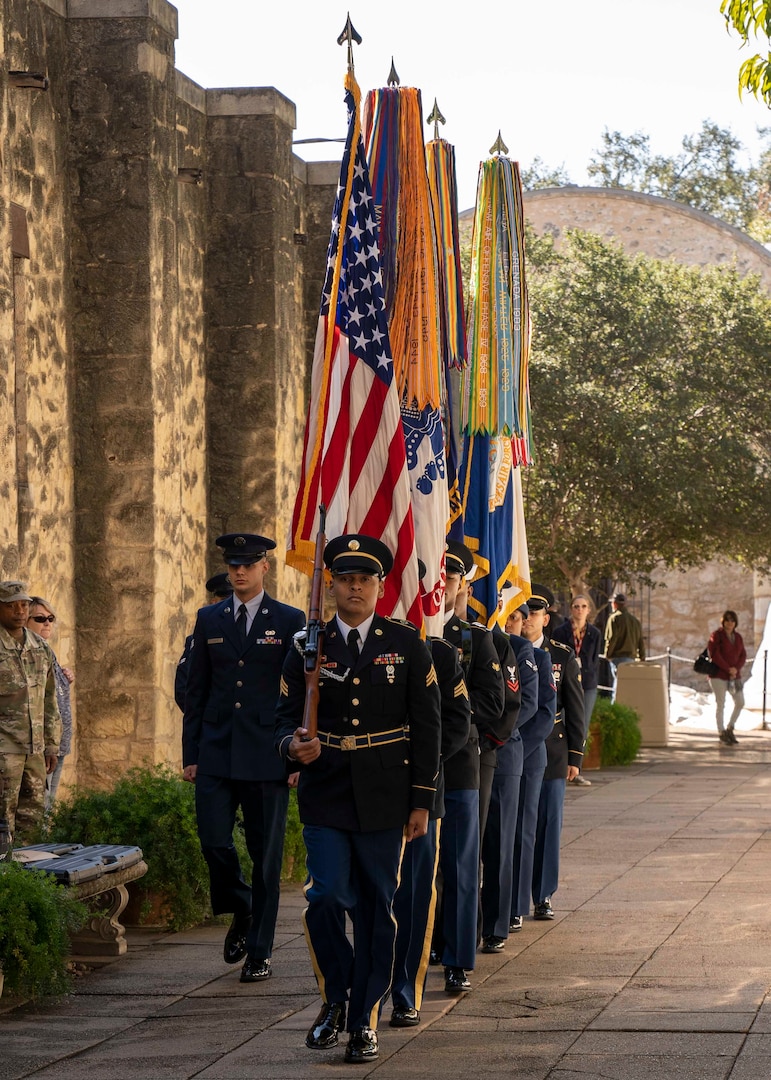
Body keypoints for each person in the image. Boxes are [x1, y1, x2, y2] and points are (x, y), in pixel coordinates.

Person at [275, 534, 441, 1063]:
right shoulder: (308, 643)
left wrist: (421, 801)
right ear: (331, 585)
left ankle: (364, 1018)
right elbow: (280, 719)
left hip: (384, 794)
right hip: (325, 792)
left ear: (379, 586)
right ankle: (336, 997)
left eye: (364, 579)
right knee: (324, 897)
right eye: (344, 578)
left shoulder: (406, 643)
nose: (354, 587)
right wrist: (291, 745)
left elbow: (429, 726)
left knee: (375, 905)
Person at [182, 533, 304, 984]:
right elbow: (197, 691)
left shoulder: (290, 619)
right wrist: (191, 753)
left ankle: (260, 951)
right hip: (216, 750)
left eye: (248, 564)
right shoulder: (209, 617)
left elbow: (300, 695)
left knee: (266, 857)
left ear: (264, 568)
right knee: (213, 841)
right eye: (233, 564)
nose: (239, 571)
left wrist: (293, 757)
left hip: (267, 752)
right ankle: (243, 904)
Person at [390, 560, 470, 1027]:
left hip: (422, 792)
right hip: (367, 794)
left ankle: (405, 990)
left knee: (416, 895)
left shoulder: (440, 653)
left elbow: (457, 722)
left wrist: (422, 769)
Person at [433, 541, 505, 995]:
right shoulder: (402, 637)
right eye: (438, 576)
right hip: (404, 766)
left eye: (453, 579)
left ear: (461, 585)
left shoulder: (476, 639)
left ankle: (458, 957)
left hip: (459, 764)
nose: (444, 586)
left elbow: (493, 702)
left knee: (459, 866)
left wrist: (444, 721)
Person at [522, 584, 584, 920]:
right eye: (524, 612)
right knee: (517, 826)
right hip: (516, 751)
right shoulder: (508, 648)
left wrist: (575, 755)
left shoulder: (561, 655)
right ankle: (514, 896)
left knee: (547, 824)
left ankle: (542, 894)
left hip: (553, 750)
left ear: (546, 619)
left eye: (534, 614)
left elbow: (575, 706)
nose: (528, 619)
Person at [507, 602, 557, 933]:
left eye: (517, 617)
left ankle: (515, 905)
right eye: (508, 615)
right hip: (491, 756)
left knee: (522, 833)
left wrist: (514, 748)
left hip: (525, 755)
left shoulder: (538, 658)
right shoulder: (487, 650)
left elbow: (544, 713)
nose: (512, 622)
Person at [0, 581, 61, 841]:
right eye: (12, 606)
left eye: (24, 605)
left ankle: (30, 878)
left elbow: (49, 699)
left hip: (35, 751)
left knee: (33, 820)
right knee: (3, 821)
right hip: (5, 750)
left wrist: (52, 745)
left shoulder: (40, 647)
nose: (20, 611)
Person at [26, 597, 73, 809]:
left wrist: (65, 677)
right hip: (44, 746)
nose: (47, 623)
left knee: (48, 808)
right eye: (40, 618)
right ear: (26, 622)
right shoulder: (29, 653)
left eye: (51, 618)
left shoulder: (47, 651)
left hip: (58, 744)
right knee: (40, 808)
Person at [552, 594, 601, 786]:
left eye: (583, 606)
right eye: (576, 606)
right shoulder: (561, 631)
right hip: (564, 683)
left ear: (588, 610)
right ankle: (561, 767)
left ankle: (576, 766)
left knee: (582, 723)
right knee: (562, 723)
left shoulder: (595, 633)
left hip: (587, 684)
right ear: (571, 609)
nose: (579, 610)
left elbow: (595, 660)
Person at [175, 572, 232, 711]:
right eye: (223, 599)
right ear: (213, 603)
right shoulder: (199, 639)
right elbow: (183, 688)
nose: (229, 605)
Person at [708, 610, 747, 745]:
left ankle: (730, 727)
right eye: (727, 620)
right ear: (723, 621)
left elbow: (743, 655)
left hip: (735, 676)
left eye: (732, 620)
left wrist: (736, 669)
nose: (730, 623)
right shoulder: (716, 636)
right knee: (721, 704)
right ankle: (721, 731)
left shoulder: (738, 637)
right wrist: (728, 668)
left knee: (740, 702)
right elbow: (715, 655)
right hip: (718, 675)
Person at [604, 593, 645, 702]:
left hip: (617, 658)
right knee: (628, 688)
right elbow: (640, 641)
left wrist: (607, 654)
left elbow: (612, 639)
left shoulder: (614, 618)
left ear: (614, 604)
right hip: (631, 659)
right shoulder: (635, 621)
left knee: (617, 689)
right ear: (625, 604)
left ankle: (615, 712)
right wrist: (642, 658)